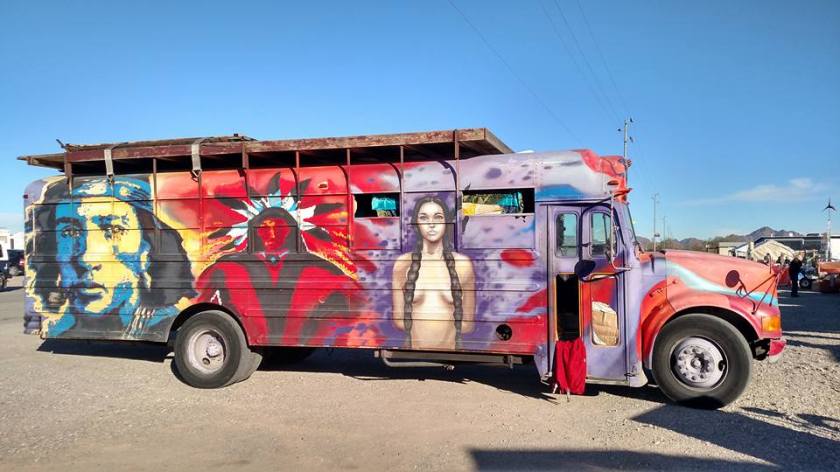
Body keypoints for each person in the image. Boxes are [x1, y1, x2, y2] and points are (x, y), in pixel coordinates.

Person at [27, 177, 195, 338]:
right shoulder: (57, 327)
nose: (87, 259)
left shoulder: (162, 320)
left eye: (114, 229)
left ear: (146, 248)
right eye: (69, 232)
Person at [392, 196, 476, 350]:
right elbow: (398, 320)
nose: (431, 224)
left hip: (452, 349)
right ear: (416, 223)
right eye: (424, 218)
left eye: (438, 217)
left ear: (446, 222)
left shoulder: (463, 264)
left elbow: (468, 324)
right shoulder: (402, 264)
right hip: (415, 349)